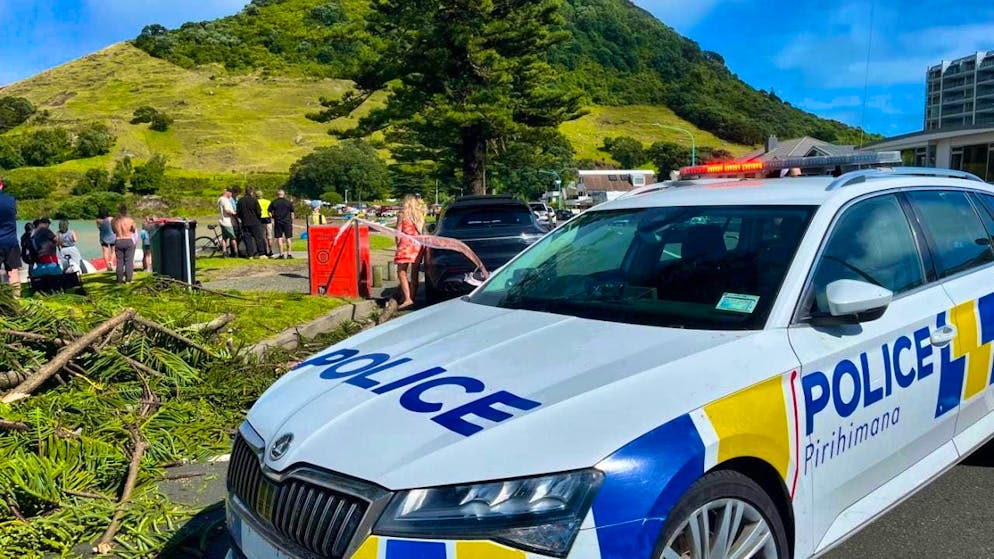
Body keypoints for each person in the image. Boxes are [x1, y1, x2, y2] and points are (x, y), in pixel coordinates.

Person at [394, 194, 425, 310]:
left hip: (405, 245)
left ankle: (407, 299)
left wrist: (397, 245)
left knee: (402, 272)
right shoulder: (419, 215)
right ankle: (412, 298)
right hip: (417, 245)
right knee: (415, 272)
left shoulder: (402, 215)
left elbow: (398, 232)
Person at [0, 179, 21, 295]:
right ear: (1, 185)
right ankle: (16, 300)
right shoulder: (11, 200)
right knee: (13, 272)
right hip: (11, 242)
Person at [236, 187, 266, 259]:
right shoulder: (254, 200)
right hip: (255, 222)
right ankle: (261, 254)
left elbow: (238, 212)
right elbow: (259, 212)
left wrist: (242, 218)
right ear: (251, 192)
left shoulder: (240, 201)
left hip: (245, 222)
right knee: (258, 238)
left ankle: (250, 255)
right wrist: (258, 218)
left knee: (247, 239)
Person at [112, 204, 137, 283]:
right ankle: (128, 279)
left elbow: (113, 231)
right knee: (128, 261)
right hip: (128, 240)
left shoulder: (114, 220)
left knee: (119, 261)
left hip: (118, 240)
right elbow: (133, 230)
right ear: (126, 210)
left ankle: (119, 280)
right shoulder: (130, 220)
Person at [269, 189, 295, 259]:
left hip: (278, 222)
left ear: (278, 195)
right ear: (284, 194)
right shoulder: (288, 202)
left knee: (279, 238)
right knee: (288, 238)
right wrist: (291, 221)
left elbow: (269, 212)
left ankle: (281, 254)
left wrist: (273, 217)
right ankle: (289, 254)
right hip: (287, 222)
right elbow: (292, 213)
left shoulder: (274, 202)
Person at [217, 189, 237, 257]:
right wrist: (234, 214)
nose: (231, 195)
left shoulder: (220, 199)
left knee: (224, 238)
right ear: (227, 193)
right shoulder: (225, 200)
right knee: (233, 238)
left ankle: (224, 252)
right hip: (228, 222)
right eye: (231, 193)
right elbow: (227, 210)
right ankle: (235, 252)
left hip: (222, 221)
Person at [257, 190, 274, 257]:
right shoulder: (268, 201)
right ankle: (271, 250)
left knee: (262, 236)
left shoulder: (256, 202)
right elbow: (271, 211)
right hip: (268, 219)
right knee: (269, 237)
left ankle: (264, 251)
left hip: (260, 219)